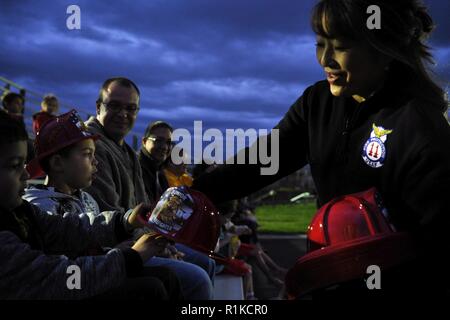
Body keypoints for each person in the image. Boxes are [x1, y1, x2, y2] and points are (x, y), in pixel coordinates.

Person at [193, 0, 450, 297]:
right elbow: (264, 161)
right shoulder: (317, 102)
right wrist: (191, 196)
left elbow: (438, 245)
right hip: (325, 277)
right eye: (320, 44)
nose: (326, 59)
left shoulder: (420, 126)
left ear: (384, 50)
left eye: (340, 46)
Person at [0, 111, 181, 300]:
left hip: (87, 274)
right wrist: (130, 257)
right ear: (57, 163)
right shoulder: (28, 212)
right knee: (153, 288)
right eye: (14, 165)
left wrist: (126, 220)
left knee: (166, 279)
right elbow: (60, 278)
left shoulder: (22, 211)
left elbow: (66, 229)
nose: (26, 175)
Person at [84, 78, 214, 299]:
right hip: (116, 250)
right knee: (198, 278)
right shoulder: (91, 145)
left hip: (140, 240)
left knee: (205, 261)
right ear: (99, 107)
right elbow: (112, 218)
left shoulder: (125, 150)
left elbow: (147, 212)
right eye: (114, 105)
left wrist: (161, 242)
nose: (123, 114)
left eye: (131, 108)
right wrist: (155, 244)